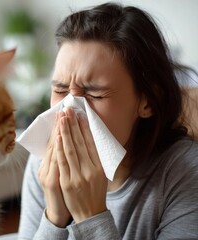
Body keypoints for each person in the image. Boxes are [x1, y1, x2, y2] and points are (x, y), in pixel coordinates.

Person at [17, 2, 198, 239]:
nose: (70, 109)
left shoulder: (183, 173)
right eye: (61, 91)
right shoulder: (44, 161)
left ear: (148, 102)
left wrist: (91, 217)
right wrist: (54, 219)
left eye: (95, 95)